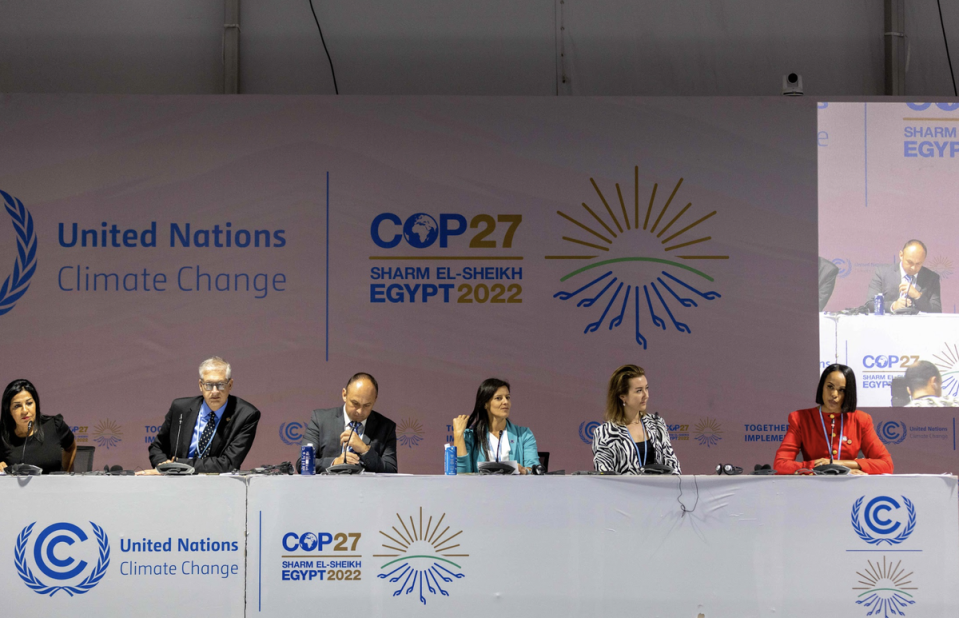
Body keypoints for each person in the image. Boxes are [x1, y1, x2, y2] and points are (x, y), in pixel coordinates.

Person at [147, 356, 260, 473]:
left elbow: (228, 463)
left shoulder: (246, 415)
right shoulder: (181, 408)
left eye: (220, 384)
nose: (215, 391)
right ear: (201, 385)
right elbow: (157, 447)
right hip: (175, 480)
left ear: (230, 385)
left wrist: (177, 466)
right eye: (209, 385)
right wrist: (164, 467)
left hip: (218, 484)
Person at [774, 364, 893, 474]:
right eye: (830, 387)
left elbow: (887, 464)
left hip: (850, 488)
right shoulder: (800, 418)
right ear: (822, 388)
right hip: (813, 488)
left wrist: (840, 464)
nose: (834, 394)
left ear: (849, 393)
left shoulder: (861, 419)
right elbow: (780, 465)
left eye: (841, 390)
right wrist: (816, 466)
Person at [591, 365, 681, 474]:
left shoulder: (657, 423)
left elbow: (672, 464)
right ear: (622, 396)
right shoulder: (605, 433)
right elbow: (604, 476)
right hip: (624, 491)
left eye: (646, 388)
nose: (646, 395)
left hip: (660, 490)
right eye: (639, 391)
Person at [301, 373, 397, 473]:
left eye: (367, 405)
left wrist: (365, 450)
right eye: (355, 403)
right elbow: (303, 464)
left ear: (375, 400)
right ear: (344, 394)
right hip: (328, 487)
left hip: (368, 488)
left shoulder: (386, 427)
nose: (360, 411)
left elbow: (391, 470)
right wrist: (335, 462)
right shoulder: (320, 419)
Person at [452, 378, 540, 474]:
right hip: (480, 488)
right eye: (499, 398)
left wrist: (524, 471)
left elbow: (534, 469)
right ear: (485, 404)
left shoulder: (524, 434)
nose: (505, 402)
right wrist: (458, 435)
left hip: (515, 488)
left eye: (508, 397)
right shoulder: (471, 436)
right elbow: (461, 474)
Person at [0, 379, 76, 474]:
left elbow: (70, 447)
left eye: (29, 403)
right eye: (17, 406)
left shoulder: (55, 426)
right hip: (14, 488)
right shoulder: (2, 435)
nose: (24, 411)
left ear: (36, 404)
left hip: (53, 487)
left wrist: (65, 474)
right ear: (9, 411)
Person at [866, 239, 941, 313]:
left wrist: (918, 296)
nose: (913, 268)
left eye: (918, 264)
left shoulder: (931, 278)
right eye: (910, 262)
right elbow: (870, 303)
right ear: (901, 255)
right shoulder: (882, 273)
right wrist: (893, 306)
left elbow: (936, 310)